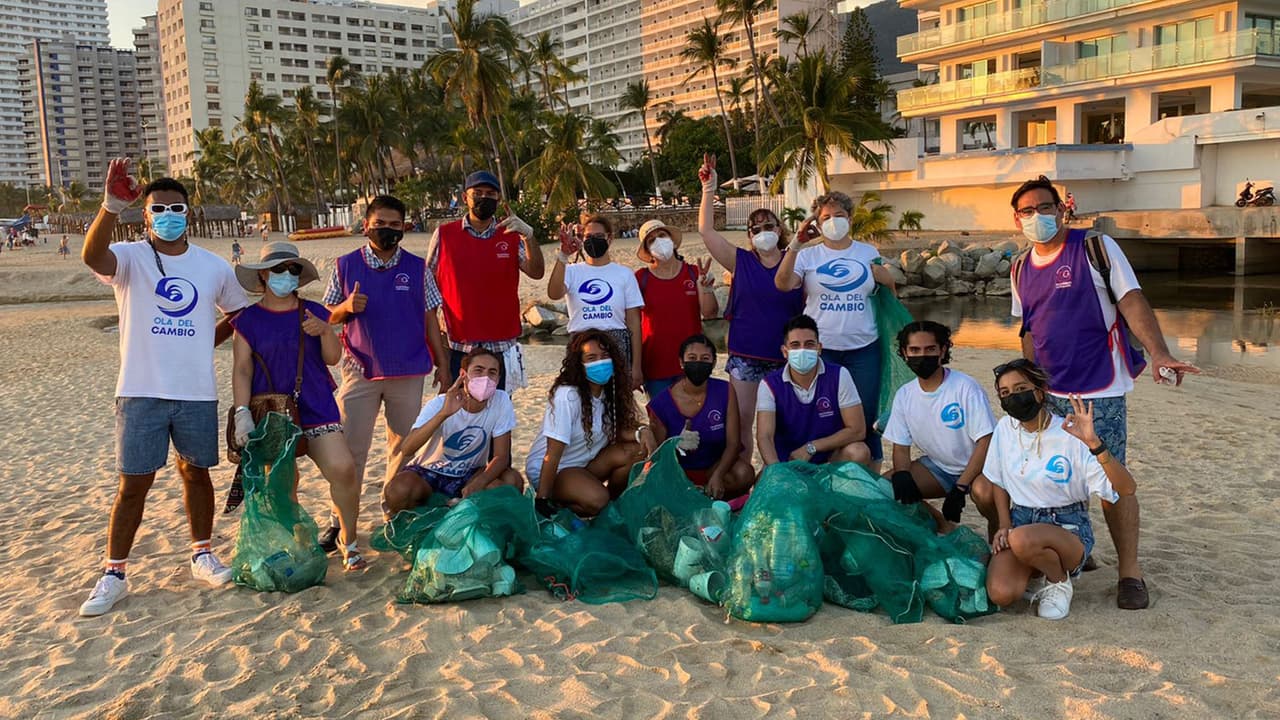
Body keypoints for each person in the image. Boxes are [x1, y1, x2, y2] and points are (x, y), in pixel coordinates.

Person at [1008, 175, 1198, 609]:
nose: (1037, 216)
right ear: (1016, 218)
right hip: (1050, 391)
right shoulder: (1018, 266)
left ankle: (1130, 572)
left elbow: (1131, 301)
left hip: (1101, 387)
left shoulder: (1095, 248)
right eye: (1027, 211)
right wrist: (1029, 383)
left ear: (1061, 209)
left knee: (1112, 481)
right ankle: (1082, 545)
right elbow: (1028, 328)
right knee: (1060, 473)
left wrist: (1160, 353)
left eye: (1044, 207)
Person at [79, 158, 251, 617]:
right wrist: (111, 206)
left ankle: (202, 553)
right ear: (146, 215)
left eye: (177, 207)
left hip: (195, 391)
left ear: (189, 213)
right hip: (140, 389)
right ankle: (114, 572)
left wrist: (202, 341)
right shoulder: (131, 258)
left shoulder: (213, 267)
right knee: (133, 483)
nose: (168, 215)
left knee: (196, 472)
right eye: (158, 209)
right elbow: (93, 257)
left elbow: (238, 314)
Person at [321, 194, 449, 552]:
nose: (388, 231)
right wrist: (346, 307)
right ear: (366, 226)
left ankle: (394, 515)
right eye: (381, 224)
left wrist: (443, 362)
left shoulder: (418, 268)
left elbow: (430, 318)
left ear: (404, 228)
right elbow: (327, 313)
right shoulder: (345, 265)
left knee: (404, 449)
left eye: (395, 226)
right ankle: (339, 522)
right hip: (359, 369)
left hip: (408, 370)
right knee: (349, 453)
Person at [228, 242, 366, 570]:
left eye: (293, 270)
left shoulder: (314, 311)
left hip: (316, 404)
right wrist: (242, 413)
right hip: (270, 412)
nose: (286, 276)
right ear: (263, 275)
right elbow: (242, 369)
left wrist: (325, 331)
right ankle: (298, 545)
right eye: (279, 270)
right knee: (282, 484)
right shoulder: (247, 321)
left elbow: (333, 358)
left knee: (343, 469)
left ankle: (349, 540)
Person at [982, 359, 1137, 620]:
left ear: (1040, 391)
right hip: (1022, 519)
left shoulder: (1069, 432)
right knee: (1001, 593)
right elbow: (997, 480)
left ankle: (1058, 580)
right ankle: (1036, 567)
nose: (1013, 398)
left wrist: (1094, 444)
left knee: (1021, 539)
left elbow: (1127, 489)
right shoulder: (1004, 429)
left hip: (1066, 526)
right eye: (1005, 393)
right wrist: (1004, 524)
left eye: (1021, 389)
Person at [775, 191, 896, 469]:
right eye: (826, 217)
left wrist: (887, 278)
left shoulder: (868, 252)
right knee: (824, 414)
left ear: (850, 219)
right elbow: (782, 284)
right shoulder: (808, 256)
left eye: (839, 216)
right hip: (822, 350)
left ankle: (869, 475)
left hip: (864, 348)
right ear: (817, 222)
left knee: (865, 416)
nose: (834, 221)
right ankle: (825, 470)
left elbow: (888, 296)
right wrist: (795, 242)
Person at [697, 153, 804, 465]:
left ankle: (786, 477)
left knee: (786, 425)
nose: (762, 231)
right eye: (755, 228)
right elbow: (706, 232)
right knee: (742, 424)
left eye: (768, 225)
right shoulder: (740, 261)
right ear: (749, 236)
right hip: (745, 357)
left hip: (787, 358)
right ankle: (743, 478)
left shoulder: (797, 258)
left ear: (780, 229)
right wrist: (708, 189)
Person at [427, 170, 546, 392]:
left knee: (499, 414)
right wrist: (438, 351)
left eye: (490, 193)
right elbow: (427, 289)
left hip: (502, 346)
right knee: (456, 415)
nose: (484, 198)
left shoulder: (510, 234)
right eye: (478, 193)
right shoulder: (444, 235)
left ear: (498, 199)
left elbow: (536, 271)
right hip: (458, 345)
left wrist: (529, 236)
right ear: (465, 197)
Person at [881, 321, 998, 531]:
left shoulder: (966, 387)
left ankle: (997, 536)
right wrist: (902, 475)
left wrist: (961, 486)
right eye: (914, 350)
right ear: (904, 354)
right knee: (883, 488)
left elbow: (986, 441)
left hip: (983, 468)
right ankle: (944, 526)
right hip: (939, 467)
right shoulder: (905, 395)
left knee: (984, 493)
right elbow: (900, 446)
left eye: (930, 349)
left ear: (942, 351)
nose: (922, 356)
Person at [382, 347, 523, 516]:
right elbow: (407, 448)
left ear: (498, 378)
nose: (485, 378)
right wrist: (443, 414)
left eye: (492, 372)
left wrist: (480, 482)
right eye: (478, 370)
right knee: (400, 490)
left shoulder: (501, 400)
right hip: (429, 471)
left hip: (469, 472)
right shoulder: (440, 403)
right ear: (463, 374)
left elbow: (501, 456)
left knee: (511, 481)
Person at [526, 330, 645, 518]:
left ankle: (613, 506)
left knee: (637, 451)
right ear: (579, 364)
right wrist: (542, 500)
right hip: (554, 470)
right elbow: (553, 453)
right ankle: (558, 506)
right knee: (597, 499)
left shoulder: (611, 393)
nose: (600, 362)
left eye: (605, 356)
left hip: (584, 465)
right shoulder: (568, 396)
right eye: (591, 358)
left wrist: (642, 431)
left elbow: (617, 431)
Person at [638, 334, 754, 500]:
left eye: (705, 358)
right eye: (692, 358)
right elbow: (657, 457)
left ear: (714, 362)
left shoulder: (725, 390)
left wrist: (718, 475)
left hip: (713, 468)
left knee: (744, 472)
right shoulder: (661, 404)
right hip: (678, 472)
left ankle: (710, 494)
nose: (698, 363)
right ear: (681, 362)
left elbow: (733, 443)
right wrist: (676, 446)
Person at [756, 314, 871, 467]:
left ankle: (834, 488)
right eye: (795, 345)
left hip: (829, 462)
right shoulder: (769, 384)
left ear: (819, 348)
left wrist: (811, 447)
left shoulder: (839, 375)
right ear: (785, 351)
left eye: (809, 344)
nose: (802, 350)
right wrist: (776, 470)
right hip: (788, 464)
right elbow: (765, 436)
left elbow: (857, 430)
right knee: (762, 484)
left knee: (859, 451)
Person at [546, 214, 643, 377]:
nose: (593, 240)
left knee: (616, 398)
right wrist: (563, 256)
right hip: (581, 343)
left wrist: (637, 367)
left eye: (599, 236)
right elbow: (554, 294)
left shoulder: (624, 274)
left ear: (610, 238)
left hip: (616, 342)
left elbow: (634, 322)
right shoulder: (571, 271)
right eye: (588, 236)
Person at [635, 219, 719, 396]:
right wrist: (635, 367)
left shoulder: (694, 273)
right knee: (661, 420)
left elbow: (710, 313)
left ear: (672, 240)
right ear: (648, 250)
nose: (658, 241)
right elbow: (633, 326)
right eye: (651, 240)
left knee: (695, 419)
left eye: (661, 235)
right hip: (655, 365)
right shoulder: (640, 278)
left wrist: (706, 288)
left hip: (692, 363)